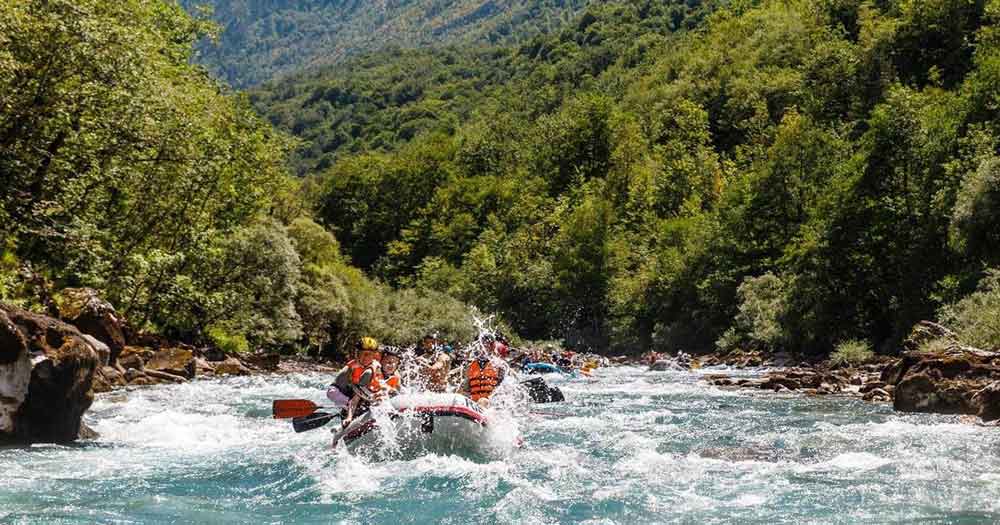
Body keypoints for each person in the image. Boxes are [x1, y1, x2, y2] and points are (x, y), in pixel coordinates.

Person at [329, 337, 382, 428]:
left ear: (374, 355)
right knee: (331, 392)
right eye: (363, 354)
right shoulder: (352, 366)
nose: (366, 357)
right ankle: (347, 412)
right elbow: (337, 384)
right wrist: (349, 415)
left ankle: (353, 410)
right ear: (357, 354)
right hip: (354, 395)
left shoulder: (375, 367)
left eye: (369, 355)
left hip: (369, 395)